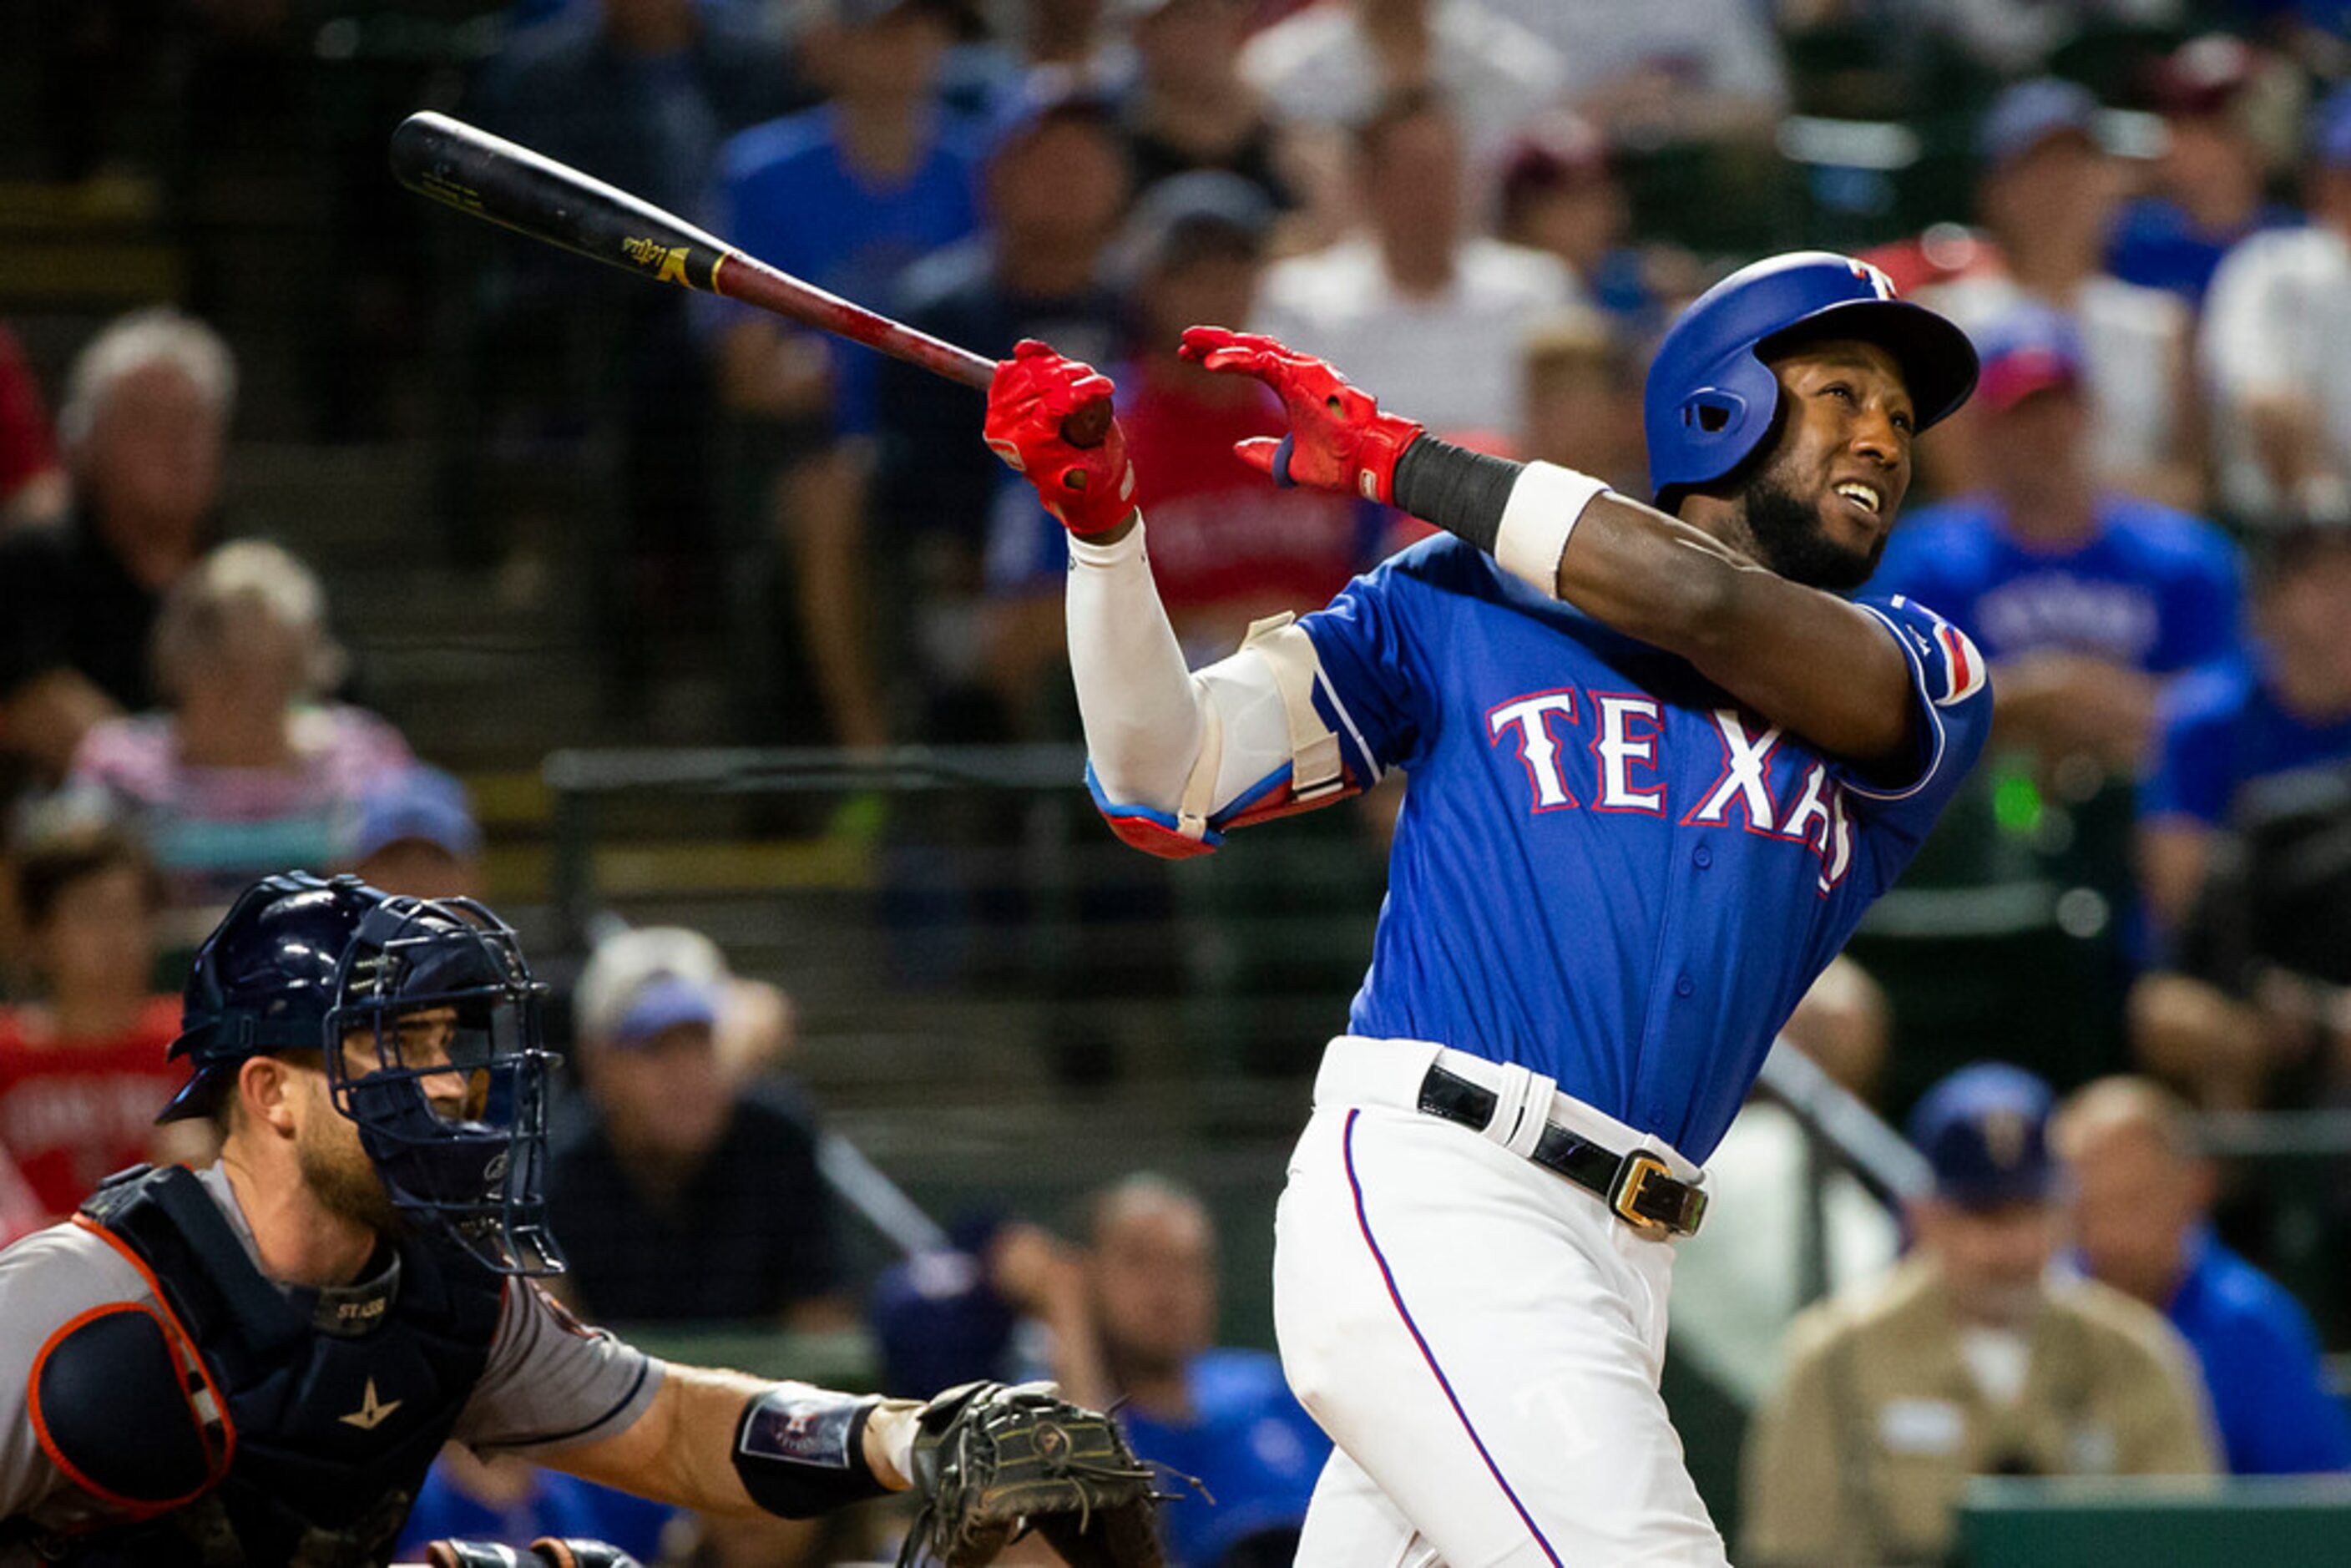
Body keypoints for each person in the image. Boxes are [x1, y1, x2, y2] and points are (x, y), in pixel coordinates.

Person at [986, 248, 1996, 1561]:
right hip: (1445, 1191)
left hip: (1629, 1257)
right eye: (1843, 391)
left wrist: (1412, 465)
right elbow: (1162, 783)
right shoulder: (1455, 596)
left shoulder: (1925, 668)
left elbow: (1698, 598)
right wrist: (1107, 539)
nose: (1884, 437)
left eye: (1904, 419)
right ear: (1717, 406)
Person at [0, 872, 1134, 1565]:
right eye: (397, 1047)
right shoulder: (84, 1297)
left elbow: (673, 1425)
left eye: (449, 1043)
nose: (446, 1083)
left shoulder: (444, 1295)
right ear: (270, 1095)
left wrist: (901, 1436)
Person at [1742, 1064, 2217, 1565]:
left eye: (2031, 1211)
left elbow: (2185, 1543)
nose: (2011, 1247)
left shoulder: (2136, 1355)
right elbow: (1791, 1554)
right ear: (1925, 1215)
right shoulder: (1834, 1360)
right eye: (1983, 1216)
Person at [706, 0, 978, 748]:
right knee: (830, 499)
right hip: (828, 441)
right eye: (881, 29)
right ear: (831, 46)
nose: (903, 49)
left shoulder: (986, 163)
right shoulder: (759, 172)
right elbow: (745, 370)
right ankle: (869, 749)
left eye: (919, 27)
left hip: (971, 435)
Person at [1873, 305, 2243, 781]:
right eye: (2021, 414)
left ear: (2088, 413)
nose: (2044, 434)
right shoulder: (1930, 559)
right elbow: (1896, 705)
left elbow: (2232, 697)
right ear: (1985, 429)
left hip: (2147, 797)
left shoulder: (2184, 556)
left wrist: (2108, 702)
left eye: (2058, 407)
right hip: (1987, 806)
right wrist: (2035, 694)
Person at [66, 539, 417, 920]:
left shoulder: (363, 758)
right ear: (180, 666)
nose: (254, 696)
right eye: (229, 672)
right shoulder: (119, 769)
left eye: (276, 671)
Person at [545, 925, 845, 1328]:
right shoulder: (555, 1170)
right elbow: (553, 1355)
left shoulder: (778, 1140)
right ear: (598, 1062)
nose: (687, 1073)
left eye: (700, 1042)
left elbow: (823, 1324)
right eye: (656, 1048)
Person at [2052, 1075, 2351, 1475]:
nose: (2112, 1235)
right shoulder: (2034, 1315)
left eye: (2134, 1202)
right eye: (2089, 1208)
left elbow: (2315, 1498)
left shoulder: (2253, 1323)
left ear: (2192, 1188)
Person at [1925, 78, 2202, 509]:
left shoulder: (2161, 323)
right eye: (2037, 167)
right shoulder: (1949, 321)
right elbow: (1965, 492)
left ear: (2110, 181)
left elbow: (2192, 489)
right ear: (1994, 191)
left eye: (2078, 163)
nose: (2061, 184)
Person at [1251, 91, 1578, 444]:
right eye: (1414, 174)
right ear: (1367, 183)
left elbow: (1574, 432)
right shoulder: (1298, 301)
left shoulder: (1540, 291)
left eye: (1446, 171)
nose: (1433, 194)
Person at [0, 309, 232, 782]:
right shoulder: (28, 566)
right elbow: (35, 707)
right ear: (83, 441)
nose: (179, 445)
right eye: (149, 421)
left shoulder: (260, 574)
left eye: (195, 420)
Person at [1050, 1176, 1329, 1568]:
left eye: (1188, 1265)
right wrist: (1067, 1318)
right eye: (1139, 1262)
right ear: (1086, 1278)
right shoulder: (1070, 1421)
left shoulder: (1269, 1387)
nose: (1167, 1290)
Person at [0, 817, 190, 1227]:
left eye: (131, 913)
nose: (117, 937)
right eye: (91, 914)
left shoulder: (194, 1040)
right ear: (39, 934)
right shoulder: (7, 1056)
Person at [2201, 83, 2351, 529]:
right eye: (2343, 172)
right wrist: (2323, 508)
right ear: (2322, 180)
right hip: (2288, 530)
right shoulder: (2273, 263)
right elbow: (2259, 399)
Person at [2107, 34, 2303, 309]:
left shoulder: (2298, 250)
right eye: (2171, 118)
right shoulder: (2128, 238)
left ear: (2252, 140)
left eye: (2198, 125)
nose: (2173, 138)